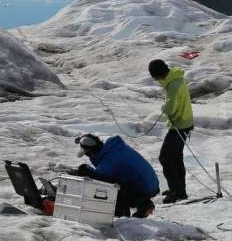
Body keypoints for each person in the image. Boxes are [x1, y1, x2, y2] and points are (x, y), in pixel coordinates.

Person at [71, 133, 160, 218]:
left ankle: (125, 215)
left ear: (91, 153)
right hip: (152, 183)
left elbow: (99, 178)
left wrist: (86, 172)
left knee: (109, 187)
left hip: (145, 189)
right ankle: (144, 204)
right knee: (117, 181)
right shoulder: (114, 148)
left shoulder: (108, 162)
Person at [148, 59, 194, 204]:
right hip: (184, 123)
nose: (154, 80)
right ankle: (179, 189)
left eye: (154, 76)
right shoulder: (175, 79)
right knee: (175, 158)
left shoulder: (172, 85)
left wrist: (163, 108)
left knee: (166, 158)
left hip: (179, 125)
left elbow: (170, 109)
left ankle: (178, 192)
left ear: (158, 74)